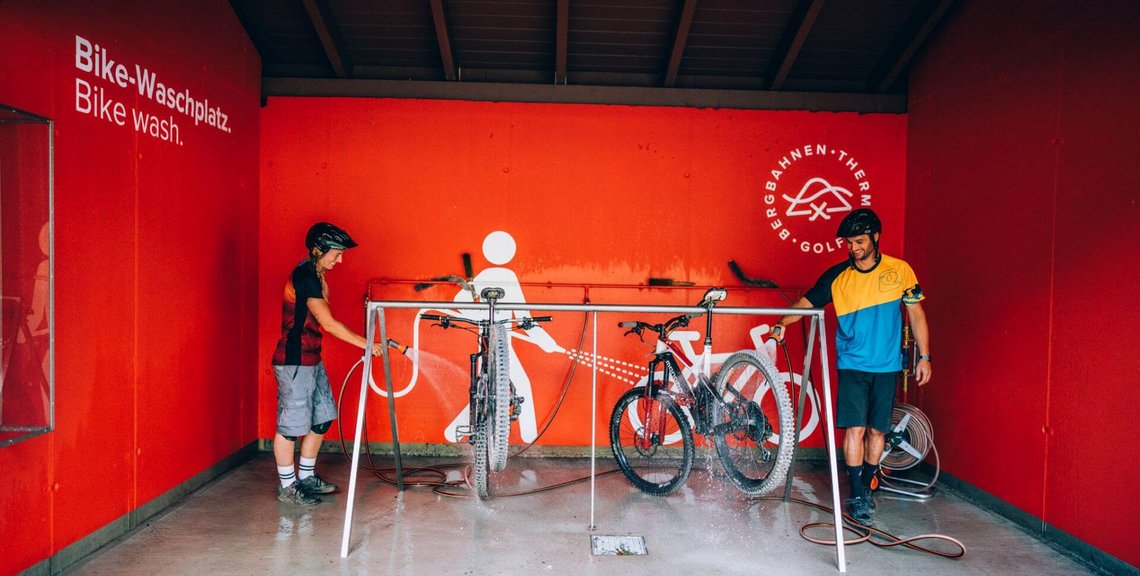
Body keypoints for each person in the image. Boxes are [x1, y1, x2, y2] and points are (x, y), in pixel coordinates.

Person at [770, 208, 931, 525]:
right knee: (855, 429)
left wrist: (924, 357)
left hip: (887, 367)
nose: (853, 248)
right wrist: (781, 322)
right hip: (853, 365)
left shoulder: (900, 271)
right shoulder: (837, 277)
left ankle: (869, 484)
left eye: (859, 241)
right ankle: (857, 493)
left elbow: (916, 314)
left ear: (875, 237)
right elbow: (806, 303)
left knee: (877, 430)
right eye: (849, 242)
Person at [271, 222, 383, 505]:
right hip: (295, 362)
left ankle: (306, 476)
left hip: (311, 359)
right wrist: (367, 344)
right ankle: (288, 487)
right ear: (318, 249)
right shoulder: (305, 275)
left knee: (322, 419)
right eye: (336, 253)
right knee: (291, 427)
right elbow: (329, 324)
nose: (340, 259)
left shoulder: (316, 273)